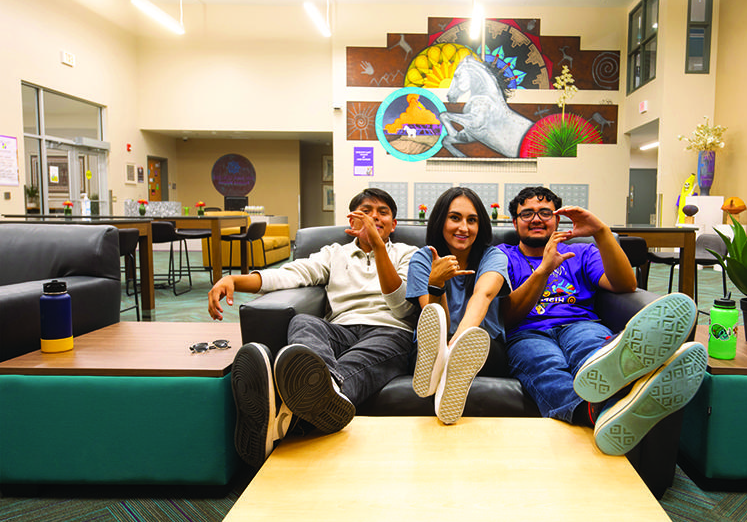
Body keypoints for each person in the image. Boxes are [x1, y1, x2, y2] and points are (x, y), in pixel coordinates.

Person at [208, 188, 417, 467]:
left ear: (393, 224)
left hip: (388, 331)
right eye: (366, 211)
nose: (374, 217)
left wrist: (379, 247)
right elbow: (290, 274)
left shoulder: (408, 253)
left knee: (367, 354)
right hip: (341, 329)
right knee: (304, 322)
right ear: (352, 222)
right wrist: (234, 280)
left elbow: (402, 307)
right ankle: (320, 389)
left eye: (383, 213)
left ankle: (286, 406)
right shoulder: (334, 253)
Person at [499, 186, 706, 455]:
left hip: (580, 324)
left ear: (557, 220)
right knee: (546, 367)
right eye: (527, 213)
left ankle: (621, 389)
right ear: (515, 222)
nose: (536, 219)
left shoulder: (583, 252)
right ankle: (612, 407)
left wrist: (601, 232)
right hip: (528, 332)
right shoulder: (503, 255)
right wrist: (544, 269)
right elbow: (508, 315)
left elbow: (625, 284)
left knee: (593, 353)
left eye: (545, 213)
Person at [406, 187, 511, 424]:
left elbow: (482, 296)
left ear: (480, 225)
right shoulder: (423, 258)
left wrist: (454, 346)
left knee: (471, 345)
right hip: (435, 344)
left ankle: (442, 370)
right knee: (433, 339)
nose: (464, 228)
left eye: (472, 220)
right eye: (455, 218)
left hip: (482, 346)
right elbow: (435, 321)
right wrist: (436, 283)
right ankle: (445, 375)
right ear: (440, 221)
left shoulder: (493, 256)